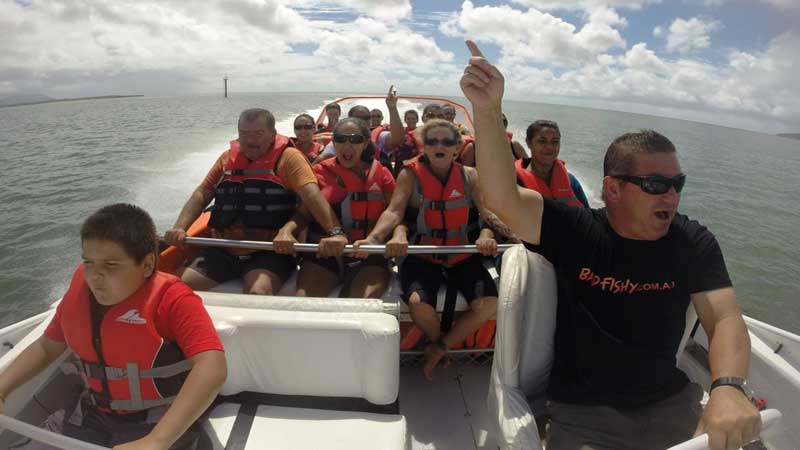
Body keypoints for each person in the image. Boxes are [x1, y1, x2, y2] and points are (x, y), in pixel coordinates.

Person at [461, 40, 761, 450]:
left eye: (677, 184)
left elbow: (724, 317)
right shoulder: (577, 230)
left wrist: (728, 387)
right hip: (585, 413)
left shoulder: (693, 241)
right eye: (655, 185)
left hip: (672, 403)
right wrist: (488, 109)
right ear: (613, 189)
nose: (671, 196)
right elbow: (502, 197)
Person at [0, 204, 226, 450]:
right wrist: (2, 390)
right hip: (89, 413)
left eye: (110, 265)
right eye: (89, 262)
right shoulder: (81, 289)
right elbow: (46, 347)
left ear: (148, 265)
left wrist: (156, 441)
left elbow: (212, 367)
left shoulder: (172, 299)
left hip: (155, 421)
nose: (95, 276)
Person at [353, 119, 500, 381]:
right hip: (424, 255)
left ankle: (439, 348)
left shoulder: (470, 176)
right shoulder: (409, 175)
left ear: (457, 148)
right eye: (432, 142)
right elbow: (394, 211)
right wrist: (374, 239)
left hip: (462, 254)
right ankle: (439, 344)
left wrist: (491, 234)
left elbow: (486, 215)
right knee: (418, 304)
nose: (438, 146)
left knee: (489, 303)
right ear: (424, 147)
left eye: (446, 141)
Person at [164, 108, 345, 295]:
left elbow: (312, 196)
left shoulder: (289, 158)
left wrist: (335, 232)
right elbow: (203, 192)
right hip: (224, 248)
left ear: (273, 134)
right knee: (176, 288)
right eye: (244, 134)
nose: (250, 140)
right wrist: (180, 227)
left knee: (259, 291)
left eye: (258, 134)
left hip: (270, 251)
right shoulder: (227, 159)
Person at [275, 118, 397, 298]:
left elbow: (396, 213)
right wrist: (286, 231)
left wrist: (395, 236)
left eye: (355, 140)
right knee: (304, 301)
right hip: (324, 255)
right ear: (333, 143)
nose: (347, 144)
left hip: (368, 255)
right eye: (340, 139)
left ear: (364, 143)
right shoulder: (318, 173)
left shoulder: (382, 174)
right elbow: (302, 215)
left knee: (361, 301)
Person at [514, 120, 589, 208]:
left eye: (555, 141)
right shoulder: (515, 182)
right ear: (528, 143)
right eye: (542, 141)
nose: (549, 147)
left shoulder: (571, 181)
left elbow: (588, 216)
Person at [458, 113, 525, 166]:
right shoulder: (472, 149)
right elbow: (466, 178)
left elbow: (529, 169)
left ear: (505, 128)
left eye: (500, 125)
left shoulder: (514, 146)